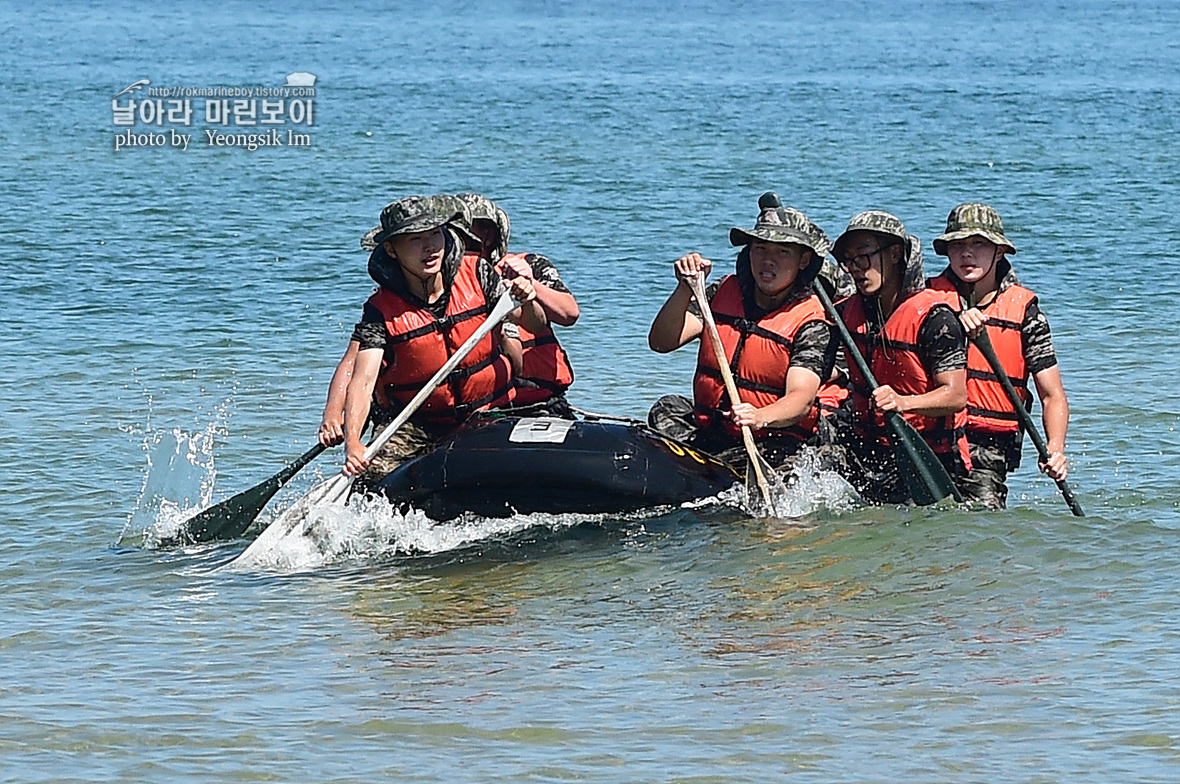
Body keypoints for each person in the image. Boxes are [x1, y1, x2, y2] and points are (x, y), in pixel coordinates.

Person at [340, 195, 547, 484]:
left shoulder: (479, 273)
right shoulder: (379, 310)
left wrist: (528, 300)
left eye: (435, 234)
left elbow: (535, 323)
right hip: (417, 424)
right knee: (372, 478)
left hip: (487, 415)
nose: (429, 247)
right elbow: (362, 380)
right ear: (391, 249)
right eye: (414, 239)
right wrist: (353, 444)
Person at [646, 195, 836, 470]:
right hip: (717, 430)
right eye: (760, 248)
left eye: (782, 252)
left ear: (804, 260)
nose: (767, 261)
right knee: (666, 409)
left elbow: (801, 398)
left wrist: (759, 416)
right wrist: (686, 288)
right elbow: (661, 342)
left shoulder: (812, 321)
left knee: (791, 459)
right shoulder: (722, 291)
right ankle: (703, 467)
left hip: (774, 438)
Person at [927, 202, 1070, 508]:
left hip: (986, 450)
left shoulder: (1026, 313)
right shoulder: (926, 301)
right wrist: (952, 319)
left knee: (981, 531)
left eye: (978, 244)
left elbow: (1052, 395)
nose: (967, 253)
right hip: (926, 439)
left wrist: (1055, 450)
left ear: (999, 251)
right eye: (958, 245)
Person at [828, 211, 971, 504]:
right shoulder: (845, 313)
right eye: (849, 261)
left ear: (895, 255)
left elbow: (956, 395)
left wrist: (904, 403)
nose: (856, 269)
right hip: (867, 448)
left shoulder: (936, 319)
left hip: (926, 455)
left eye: (863, 257)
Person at [452, 193, 579, 414]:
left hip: (540, 399)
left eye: (470, 228)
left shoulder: (529, 264)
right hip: (481, 405)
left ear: (491, 235)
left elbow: (569, 314)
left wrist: (530, 284)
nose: (463, 236)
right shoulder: (439, 282)